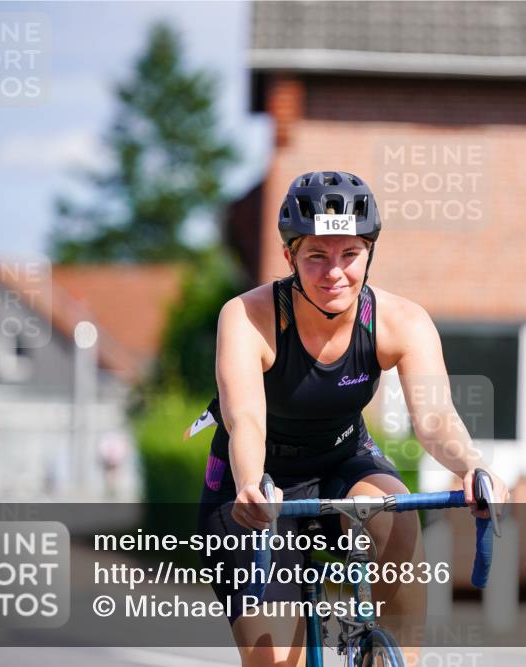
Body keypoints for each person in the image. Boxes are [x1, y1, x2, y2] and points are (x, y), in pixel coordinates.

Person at [198, 171, 509, 667]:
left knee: (396, 515)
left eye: (350, 254)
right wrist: (252, 484)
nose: (334, 272)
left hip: (343, 459)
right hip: (257, 482)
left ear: (370, 253)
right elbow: (246, 418)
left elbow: (435, 416)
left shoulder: (399, 321)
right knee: (276, 659)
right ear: (289, 258)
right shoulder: (248, 316)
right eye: (316, 256)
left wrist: (472, 466)